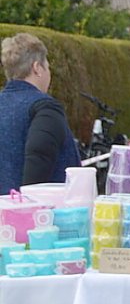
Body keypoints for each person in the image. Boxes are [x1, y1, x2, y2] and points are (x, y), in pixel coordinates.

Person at [0, 32, 79, 191]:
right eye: (47, 67)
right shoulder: (45, 108)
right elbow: (39, 158)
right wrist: (26, 205)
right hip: (37, 213)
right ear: (37, 68)